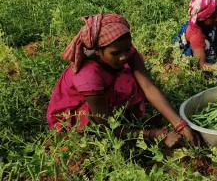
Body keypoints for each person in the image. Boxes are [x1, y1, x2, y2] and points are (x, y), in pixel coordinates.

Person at [47, 14, 198, 148]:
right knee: (102, 128)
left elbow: (148, 87)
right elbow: (107, 127)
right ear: (98, 51)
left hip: (102, 98)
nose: (124, 56)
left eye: (127, 49)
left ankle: (125, 112)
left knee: (129, 79)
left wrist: (180, 124)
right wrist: (157, 134)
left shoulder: (125, 52)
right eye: (116, 53)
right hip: (74, 118)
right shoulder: (88, 76)